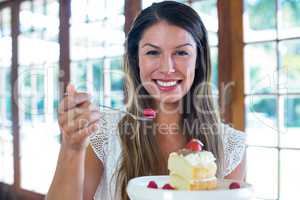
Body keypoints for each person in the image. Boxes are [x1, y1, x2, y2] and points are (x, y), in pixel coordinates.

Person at [46, 1, 246, 200]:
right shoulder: (103, 133)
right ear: (136, 59)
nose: (167, 68)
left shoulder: (230, 145)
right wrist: (71, 147)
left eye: (181, 52)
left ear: (198, 60)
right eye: (153, 52)